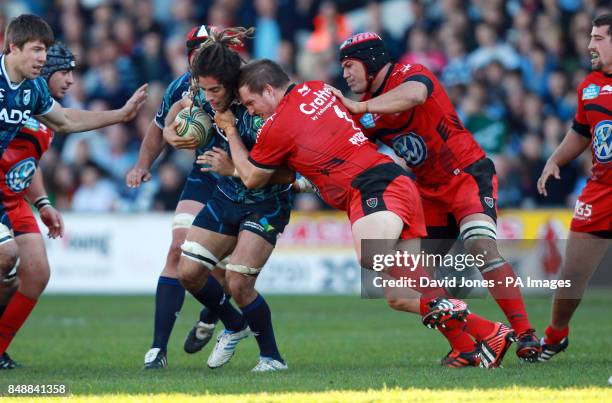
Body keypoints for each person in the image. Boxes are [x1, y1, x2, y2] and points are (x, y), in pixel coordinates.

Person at [215, 58, 515, 368]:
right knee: (400, 295)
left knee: (370, 253)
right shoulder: (318, 89)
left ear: (268, 89)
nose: (250, 111)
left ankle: (482, 327)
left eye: (251, 102)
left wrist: (230, 132)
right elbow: (306, 160)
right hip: (394, 182)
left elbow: (252, 176)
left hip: (372, 186)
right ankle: (468, 345)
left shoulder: (277, 127)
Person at [332, 32, 540, 365]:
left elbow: (414, 96)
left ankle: (526, 334)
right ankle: (465, 346)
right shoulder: (365, 110)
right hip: (428, 192)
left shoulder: (411, 75)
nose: (345, 74)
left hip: (467, 175)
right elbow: (348, 146)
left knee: (479, 246)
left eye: (349, 65)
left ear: (371, 61)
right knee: (400, 290)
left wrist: (362, 106)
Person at [0, 14, 147, 319]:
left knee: (15, 270)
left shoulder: (33, 91)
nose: (42, 58)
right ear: (13, 47)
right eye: (37, 50)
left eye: (45, 51)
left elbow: (65, 119)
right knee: (8, 255)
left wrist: (119, 115)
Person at [172, 28, 294, 372]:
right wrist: (173, 132)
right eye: (204, 89)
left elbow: (289, 173)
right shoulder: (202, 98)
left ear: (231, 84)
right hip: (226, 198)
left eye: (216, 90)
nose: (209, 97)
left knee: (239, 281)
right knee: (189, 272)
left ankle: (272, 358)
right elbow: (174, 116)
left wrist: (232, 167)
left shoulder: (259, 111)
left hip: (266, 203)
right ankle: (234, 324)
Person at [126, 24, 231, 370]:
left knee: (225, 272)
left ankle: (214, 315)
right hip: (203, 176)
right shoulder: (178, 88)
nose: (201, 58)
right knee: (178, 250)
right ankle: (157, 349)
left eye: (208, 51)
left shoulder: (242, 84)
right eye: (196, 52)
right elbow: (157, 131)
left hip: (242, 181)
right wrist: (142, 165)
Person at [537, 13, 611, 361]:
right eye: (591, 37)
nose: (589, 45)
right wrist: (556, 159)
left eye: (598, 39)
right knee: (571, 275)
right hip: (601, 191)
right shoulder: (590, 86)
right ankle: (555, 336)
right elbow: (582, 131)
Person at [0, 42, 74, 369]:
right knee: (9, 261)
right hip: (4, 198)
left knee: (37, 274)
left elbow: (29, 163)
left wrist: (43, 202)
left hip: (16, 199)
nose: (70, 80)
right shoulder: (23, 100)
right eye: (64, 71)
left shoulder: (46, 111)